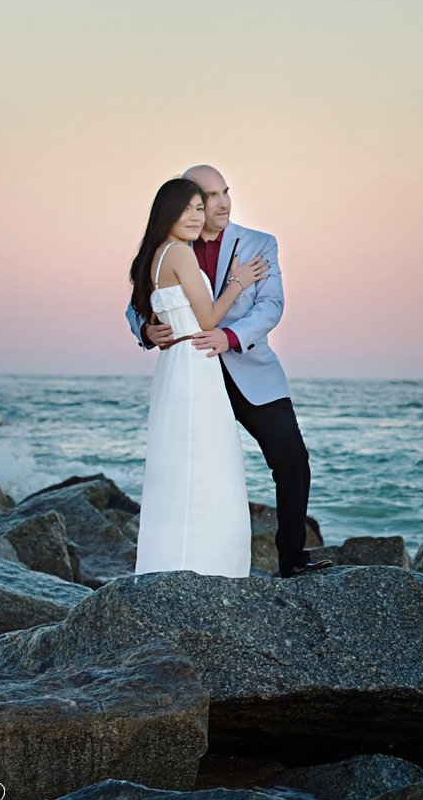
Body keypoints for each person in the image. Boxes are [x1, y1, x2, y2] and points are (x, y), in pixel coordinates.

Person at [125, 164, 333, 578]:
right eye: (206, 198)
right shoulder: (171, 245)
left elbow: (270, 306)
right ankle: (195, 561)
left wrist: (230, 337)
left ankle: (292, 559)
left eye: (224, 193)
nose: (218, 205)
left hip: (249, 370)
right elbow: (136, 304)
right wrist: (147, 329)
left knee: (292, 458)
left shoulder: (260, 244)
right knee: (204, 468)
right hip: (193, 373)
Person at [129, 177, 269, 576]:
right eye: (188, 208)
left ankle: (174, 563)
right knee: (206, 464)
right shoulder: (180, 254)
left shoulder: (156, 254)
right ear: (167, 212)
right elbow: (208, 317)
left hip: (180, 363)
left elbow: (161, 313)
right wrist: (239, 281)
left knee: (181, 465)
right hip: (194, 362)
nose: (196, 216)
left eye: (198, 208)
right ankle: (206, 568)